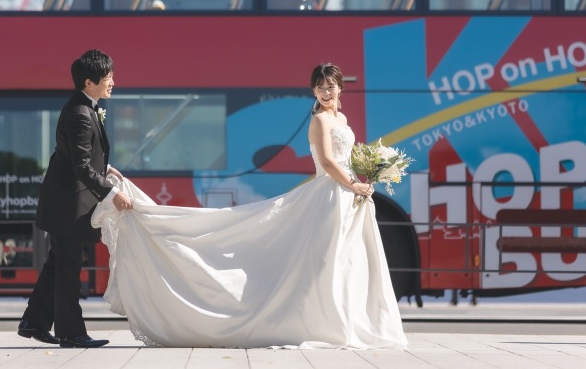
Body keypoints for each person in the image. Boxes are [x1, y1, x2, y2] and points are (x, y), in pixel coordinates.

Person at [91, 63, 408, 349]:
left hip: (347, 194)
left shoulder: (342, 118)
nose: (326, 92)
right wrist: (353, 183)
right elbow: (326, 160)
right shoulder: (320, 120)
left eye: (331, 85)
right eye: (320, 86)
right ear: (313, 90)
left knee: (346, 261)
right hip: (329, 194)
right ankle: (323, 321)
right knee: (323, 261)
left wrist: (364, 173)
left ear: (340, 87)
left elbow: (344, 156)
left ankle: (347, 319)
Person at [18, 49, 133, 349]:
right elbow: (81, 166)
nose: (112, 82)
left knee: (58, 263)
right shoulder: (81, 113)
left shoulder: (84, 107)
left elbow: (78, 154)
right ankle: (71, 333)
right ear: (88, 82)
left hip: (65, 203)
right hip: (67, 205)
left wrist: (106, 168)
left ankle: (34, 322)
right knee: (68, 268)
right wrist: (111, 193)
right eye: (107, 78)